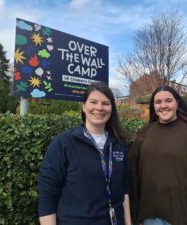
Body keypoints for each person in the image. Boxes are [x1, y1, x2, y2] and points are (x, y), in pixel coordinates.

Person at [38, 81, 131, 225]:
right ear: (84, 106)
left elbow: (124, 191)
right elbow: (47, 196)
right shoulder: (63, 143)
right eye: (93, 102)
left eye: (105, 103)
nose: (99, 108)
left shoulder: (118, 145)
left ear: (112, 108)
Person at [128, 85, 187, 225]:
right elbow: (132, 175)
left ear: (177, 103)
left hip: (183, 217)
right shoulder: (144, 134)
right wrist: (134, 215)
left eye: (168, 101)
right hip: (149, 217)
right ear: (153, 106)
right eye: (158, 102)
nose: (163, 106)